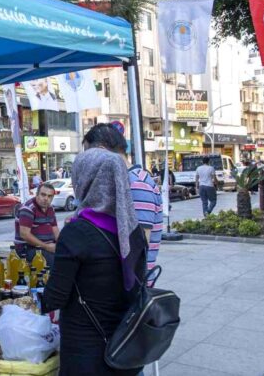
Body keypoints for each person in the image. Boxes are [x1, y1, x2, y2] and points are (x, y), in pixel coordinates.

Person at [42, 148, 147, 376]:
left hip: (86, 354)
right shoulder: (133, 231)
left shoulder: (77, 232)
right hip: (126, 349)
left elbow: (54, 298)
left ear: (85, 180)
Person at [82, 123, 163, 283]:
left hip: (130, 286)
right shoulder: (121, 181)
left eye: (88, 155)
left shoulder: (136, 184)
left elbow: (138, 245)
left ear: (102, 150)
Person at [15, 182, 59, 266]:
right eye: (43, 195)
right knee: (56, 263)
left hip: (47, 247)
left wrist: (61, 245)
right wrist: (46, 247)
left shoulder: (50, 208)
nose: (46, 198)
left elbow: (55, 229)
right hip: (27, 248)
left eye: (49, 196)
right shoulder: (28, 208)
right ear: (37, 195)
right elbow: (25, 235)